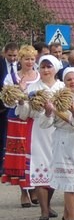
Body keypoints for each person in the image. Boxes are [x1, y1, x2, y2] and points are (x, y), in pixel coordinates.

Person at [19, 54, 65, 220]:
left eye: (49, 67)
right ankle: (44, 210)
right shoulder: (32, 88)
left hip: (59, 130)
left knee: (54, 168)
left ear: (55, 68)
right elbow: (25, 115)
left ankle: (48, 203)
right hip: (39, 131)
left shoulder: (62, 88)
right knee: (40, 167)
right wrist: (21, 100)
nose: (46, 70)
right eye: (43, 67)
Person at [44, 66, 74, 220]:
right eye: (69, 79)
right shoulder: (57, 98)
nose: (73, 82)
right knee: (70, 181)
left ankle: (67, 214)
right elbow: (44, 123)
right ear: (64, 82)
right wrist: (48, 112)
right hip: (64, 140)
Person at [2, 45, 40, 207]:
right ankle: (23, 191)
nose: (29, 62)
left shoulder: (39, 76)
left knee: (34, 152)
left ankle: (33, 187)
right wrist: (20, 92)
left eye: (32, 59)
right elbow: (7, 100)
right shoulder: (12, 77)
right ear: (20, 60)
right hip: (17, 118)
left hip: (35, 119)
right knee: (20, 154)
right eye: (26, 59)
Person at [0, 43, 16, 175]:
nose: (12, 58)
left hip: (16, 108)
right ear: (4, 53)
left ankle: (9, 166)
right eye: (9, 55)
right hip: (1, 107)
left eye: (15, 55)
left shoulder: (20, 65)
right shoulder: (0, 64)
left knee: (10, 137)